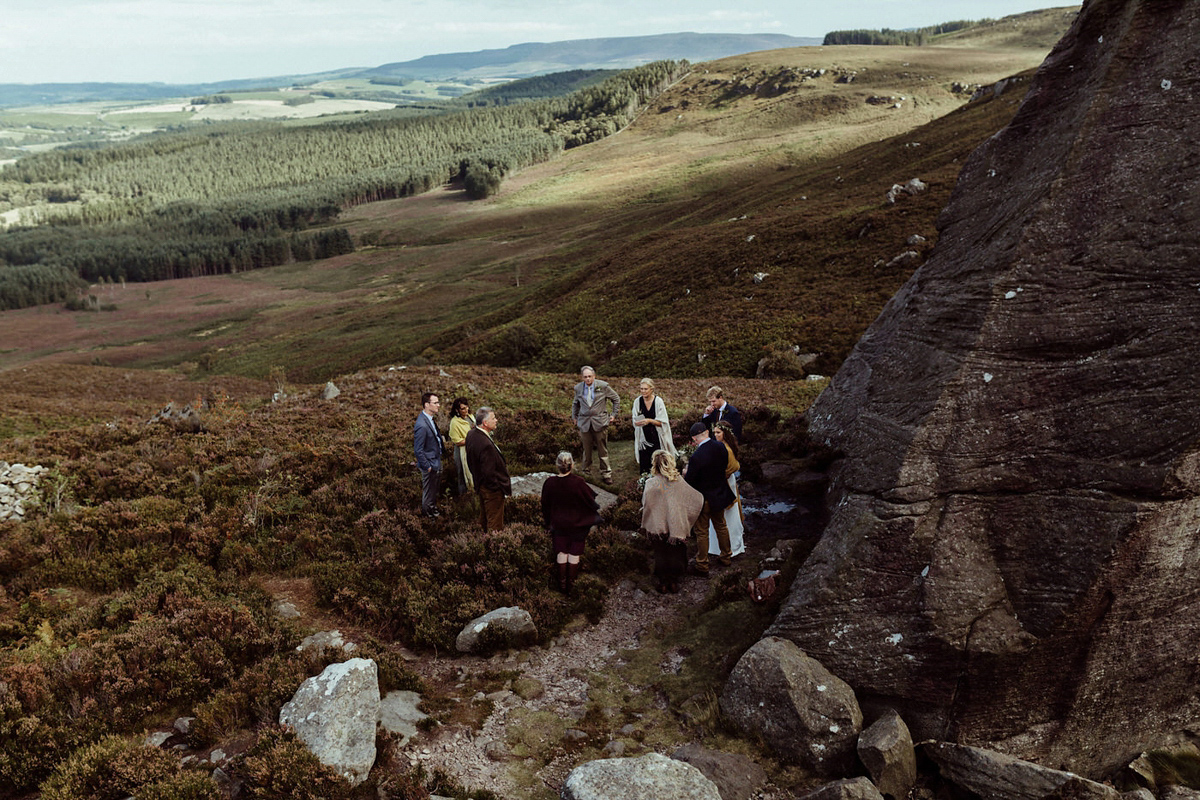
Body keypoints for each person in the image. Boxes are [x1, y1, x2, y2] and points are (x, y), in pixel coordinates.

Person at [641, 449, 704, 593]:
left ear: (654, 465)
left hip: (658, 525)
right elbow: (696, 498)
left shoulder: (651, 483)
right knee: (676, 551)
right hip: (676, 525)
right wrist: (686, 517)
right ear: (670, 463)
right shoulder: (678, 481)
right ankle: (674, 581)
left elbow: (646, 503)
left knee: (660, 552)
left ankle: (663, 582)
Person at [541, 451, 601, 593]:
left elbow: (545, 504)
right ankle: (571, 586)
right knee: (574, 553)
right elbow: (590, 499)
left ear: (557, 465)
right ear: (572, 465)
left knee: (561, 551)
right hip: (577, 524)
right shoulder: (579, 482)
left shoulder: (550, 483)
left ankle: (562, 585)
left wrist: (548, 521)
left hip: (559, 524)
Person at [683, 421, 735, 574]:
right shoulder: (721, 447)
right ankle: (726, 557)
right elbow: (724, 466)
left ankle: (702, 565)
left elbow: (690, 482)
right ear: (707, 432)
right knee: (721, 525)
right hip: (719, 494)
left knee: (702, 531)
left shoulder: (696, 457)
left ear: (694, 438)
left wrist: (686, 473)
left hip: (703, 499)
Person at [570, 366, 620, 485]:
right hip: (584, 422)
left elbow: (616, 399)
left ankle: (606, 473)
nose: (587, 379)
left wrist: (613, 415)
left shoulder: (603, 386)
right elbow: (575, 404)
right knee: (586, 450)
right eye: (585, 377)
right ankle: (585, 472)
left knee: (602, 449)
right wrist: (574, 417)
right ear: (582, 377)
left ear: (594, 376)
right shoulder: (578, 388)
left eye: (589, 376)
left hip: (600, 422)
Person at [465, 406, 512, 531]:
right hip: (492, 490)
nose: (496, 420)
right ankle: (493, 547)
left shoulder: (471, 434)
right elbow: (488, 472)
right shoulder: (486, 445)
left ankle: (483, 544)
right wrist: (497, 488)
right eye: (493, 418)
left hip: (481, 485)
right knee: (495, 524)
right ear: (485, 423)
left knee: (485, 520)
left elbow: (470, 461)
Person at [708, 420, 745, 559]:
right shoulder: (721, 446)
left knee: (729, 514)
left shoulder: (727, 449)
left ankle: (731, 546)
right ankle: (718, 546)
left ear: (726, 433)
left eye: (718, 432)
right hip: (722, 482)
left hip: (726, 483)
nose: (715, 435)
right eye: (714, 432)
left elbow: (734, 466)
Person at [631, 378, 675, 475]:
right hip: (643, 438)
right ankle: (645, 483)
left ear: (651, 389)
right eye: (641, 389)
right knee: (645, 464)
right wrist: (637, 422)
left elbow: (663, 422)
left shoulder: (658, 401)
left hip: (656, 436)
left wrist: (649, 421)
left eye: (645, 389)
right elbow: (634, 418)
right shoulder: (637, 401)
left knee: (657, 462)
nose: (643, 391)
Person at [413, 392, 444, 518]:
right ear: (427, 405)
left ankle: (432, 509)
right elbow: (418, 450)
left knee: (433, 490)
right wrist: (427, 466)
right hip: (430, 464)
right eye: (435, 403)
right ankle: (428, 516)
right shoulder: (422, 425)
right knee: (428, 491)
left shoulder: (429, 419)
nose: (438, 405)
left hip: (435, 460)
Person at [448, 397, 475, 496]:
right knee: (462, 474)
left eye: (467, 407)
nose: (466, 409)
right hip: (461, 451)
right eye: (463, 408)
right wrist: (471, 440)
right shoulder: (454, 423)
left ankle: (474, 493)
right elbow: (457, 441)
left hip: (472, 449)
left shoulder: (471, 417)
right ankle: (464, 497)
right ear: (457, 410)